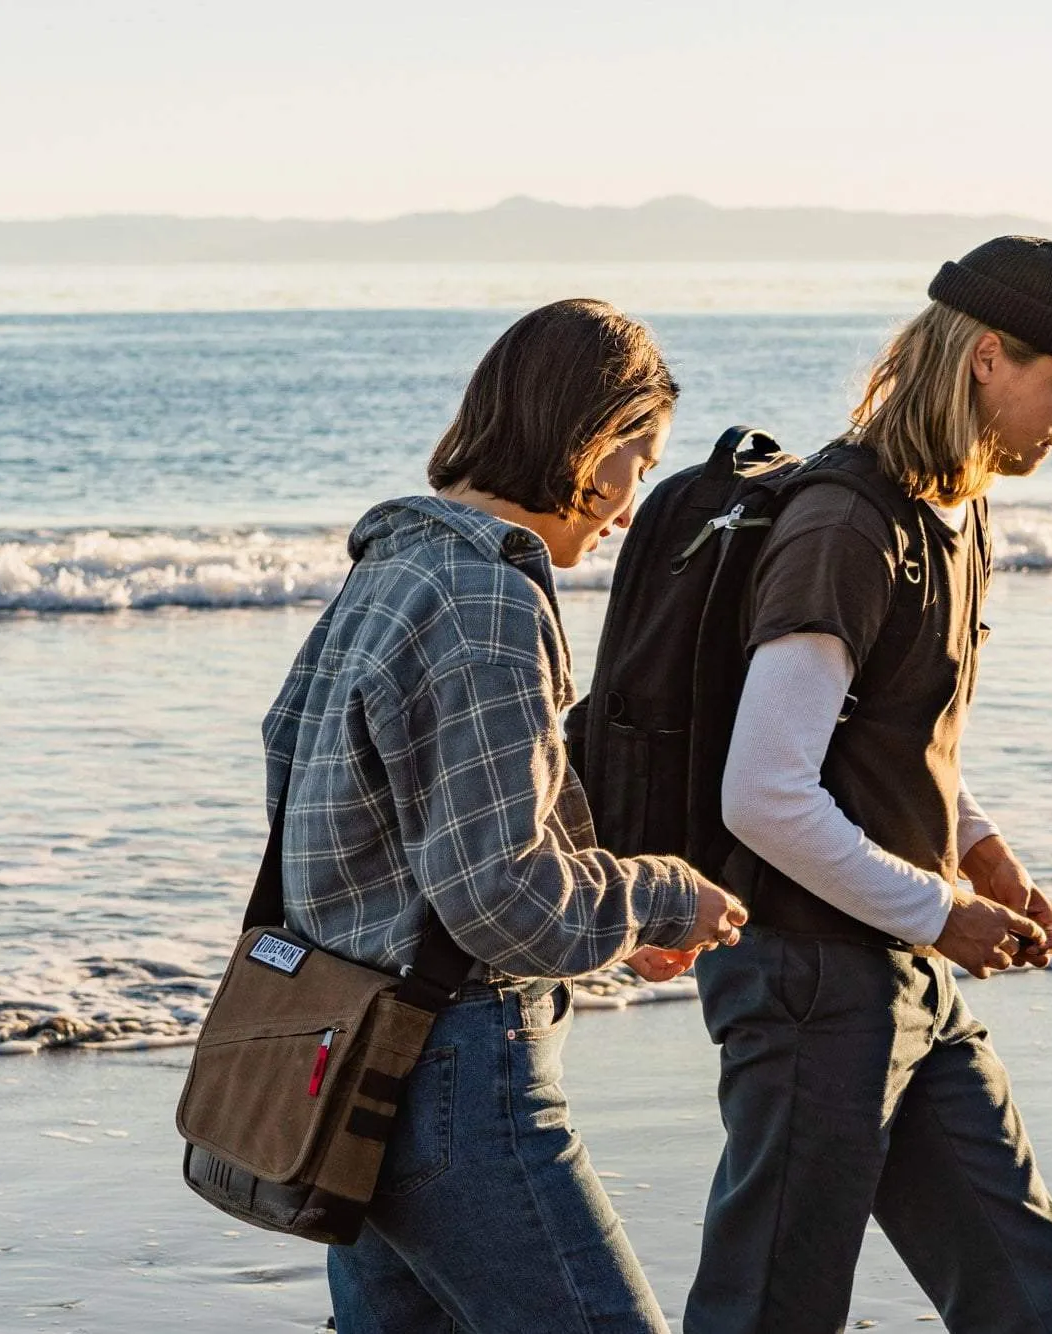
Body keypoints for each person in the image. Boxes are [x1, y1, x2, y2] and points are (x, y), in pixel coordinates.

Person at [263, 298, 749, 1334]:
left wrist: (608, 919)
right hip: (455, 1076)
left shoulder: (389, 566)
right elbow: (501, 896)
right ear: (590, 437)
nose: (629, 501)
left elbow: (298, 770)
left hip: (350, 1062)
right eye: (639, 457)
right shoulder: (489, 595)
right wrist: (662, 892)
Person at [684, 237, 1052, 1334]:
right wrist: (939, 908)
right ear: (984, 358)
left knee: (1031, 1293)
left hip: (904, 966)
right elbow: (763, 793)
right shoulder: (846, 523)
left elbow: (888, 726)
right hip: (808, 977)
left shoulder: (953, 510)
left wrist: (976, 844)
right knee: (773, 1311)